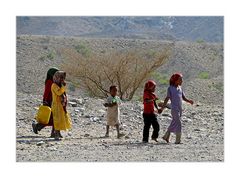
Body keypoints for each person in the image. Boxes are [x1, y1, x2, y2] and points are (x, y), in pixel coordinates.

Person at [159, 73, 193, 144]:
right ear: (175, 80)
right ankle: (178, 140)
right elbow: (167, 98)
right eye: (180, 79)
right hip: (174, 109)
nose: (182, 81)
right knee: (179, 123)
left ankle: (166, 136)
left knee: (174, 122)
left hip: (180, 109)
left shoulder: (180, 88)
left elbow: (183, 97)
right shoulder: (170, 88)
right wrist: (162, 108)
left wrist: (189, 101)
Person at [32, 67, 59, 137]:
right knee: (54, 118)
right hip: (50, 102)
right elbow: (46, 92)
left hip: (54, 102)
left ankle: (38, 126)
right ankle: (52, 132)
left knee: (54, 118)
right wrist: (45, 101)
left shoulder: (53, 82)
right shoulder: (49, 82)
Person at [51, 71, 72, 140]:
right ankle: (56, 134)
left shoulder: (59, 85)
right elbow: (59, 93)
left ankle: (59, 133)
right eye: (60, 78)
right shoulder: (54, 85)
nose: (61, 80)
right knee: (57, 119)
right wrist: (63, 86)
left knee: (61, 119)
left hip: (60, 105)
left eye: (62, 79)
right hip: (56, 105)